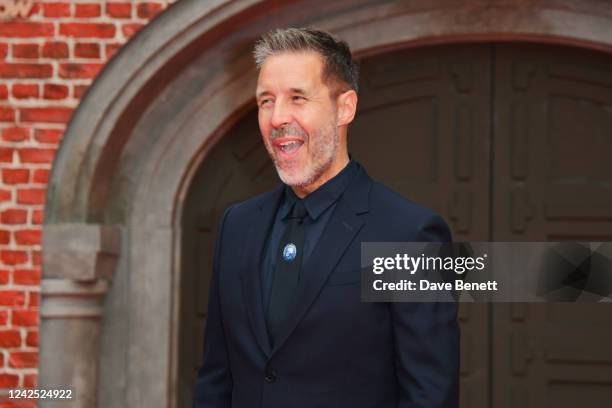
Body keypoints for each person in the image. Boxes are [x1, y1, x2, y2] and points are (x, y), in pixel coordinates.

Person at [193, 27, 459, 408]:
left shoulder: (409, 234)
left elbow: (429, 395)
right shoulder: (237, 226)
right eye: (266, 101)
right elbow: (215, 379)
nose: (277, 117)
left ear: (345, 107)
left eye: (297, 98)